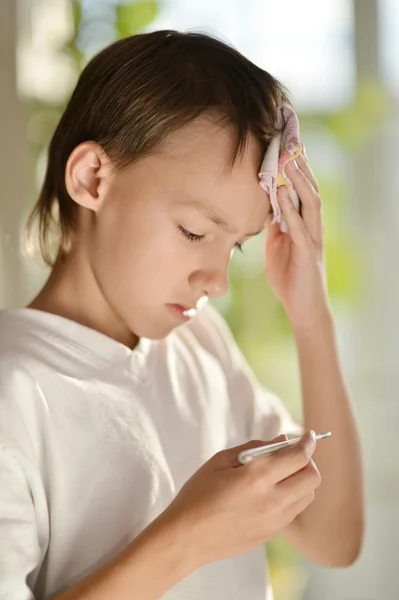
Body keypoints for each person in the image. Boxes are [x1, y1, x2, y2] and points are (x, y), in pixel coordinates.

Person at [0, 30, 363, 600]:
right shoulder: (14, 387)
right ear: (92, 178)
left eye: (236, 244)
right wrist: (189, 538)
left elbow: (334, 539)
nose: (216, 281)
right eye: (194, 231)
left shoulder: (202, 347)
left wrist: (311, 319)